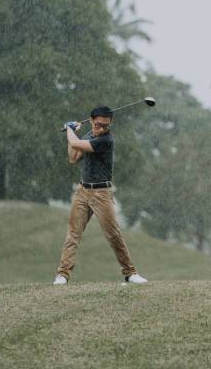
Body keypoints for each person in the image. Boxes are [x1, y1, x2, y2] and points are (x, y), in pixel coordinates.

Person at [53, 105, 147, 285]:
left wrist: (70, 129)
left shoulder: (106, 140)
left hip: (101, 193)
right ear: (91, 121)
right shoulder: (88, 137)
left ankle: (130, 273)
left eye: (106, 125)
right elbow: (73, 157)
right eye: (98, 125)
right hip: (82, 192)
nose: (102, 128)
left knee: (113, 235)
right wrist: (71, 133)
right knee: (73, 234)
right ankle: (62, 275)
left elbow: (74, 143)